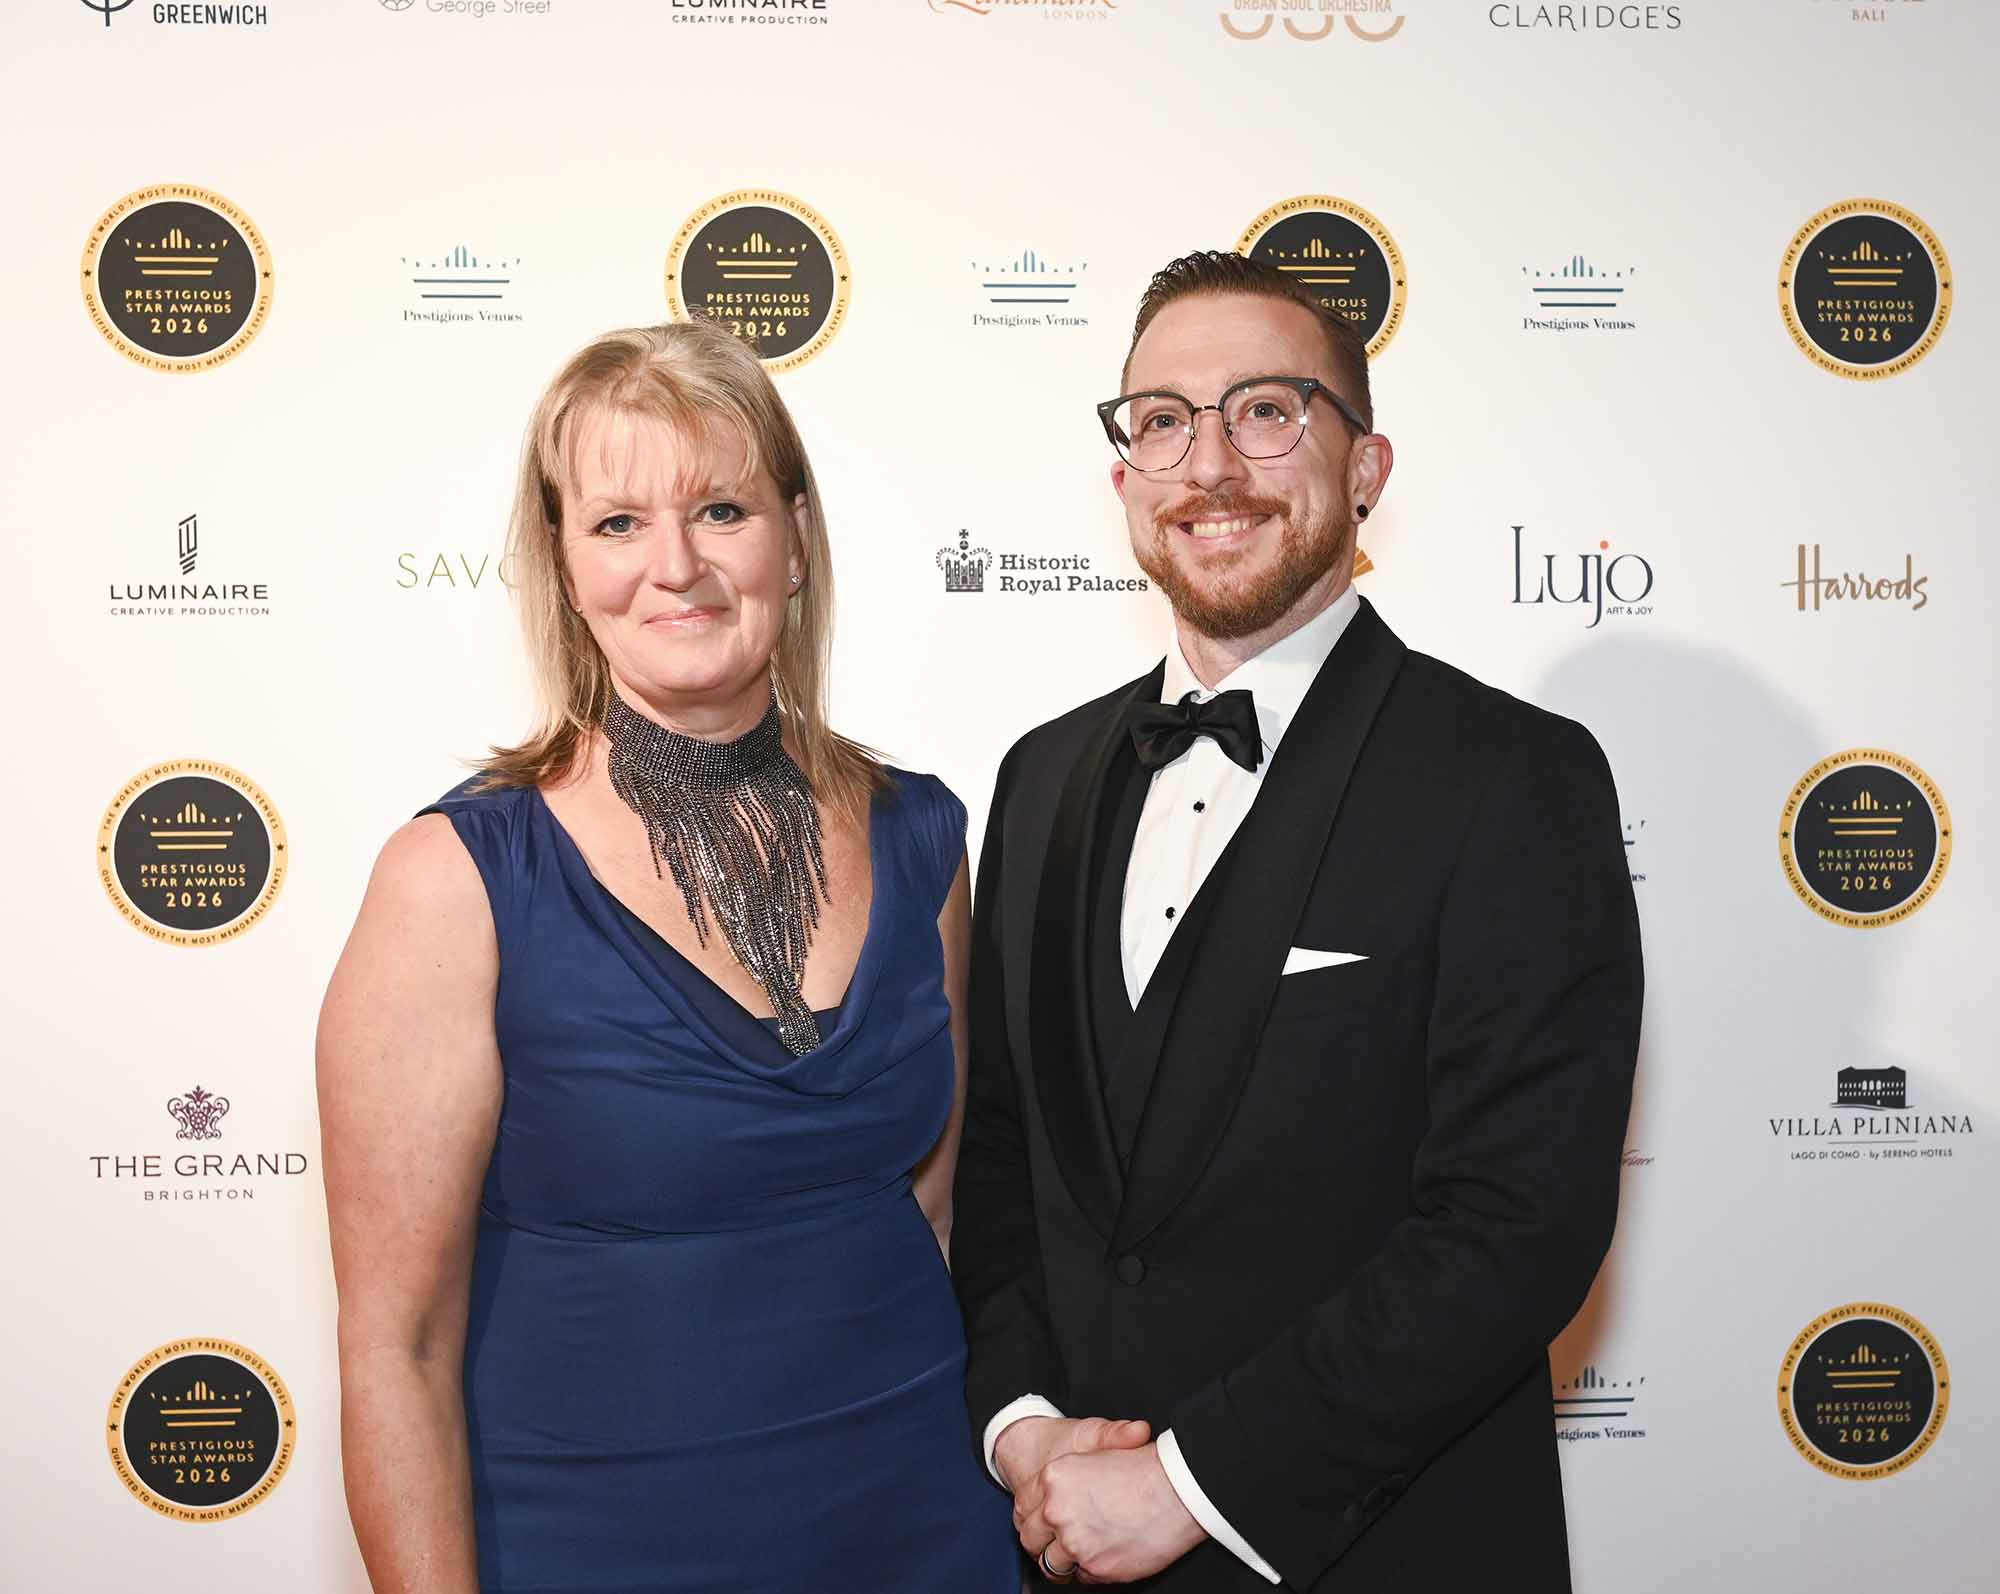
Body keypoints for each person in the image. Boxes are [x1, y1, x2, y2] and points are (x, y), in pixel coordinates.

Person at [953, 251, 1644, 1591]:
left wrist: (1192, 1482)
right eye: (1163, 420)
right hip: (1066, 1544)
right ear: (1124, 477)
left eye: (1265, 411)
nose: (1210, 464)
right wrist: (1024, 1425)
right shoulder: (1040, 775)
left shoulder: (1513, 776)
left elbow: (1517, 1222)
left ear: (1365, 466)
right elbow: (998, 1164)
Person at [317, 320, 1016, 1593]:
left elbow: (928, 1214)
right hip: (594, 1546)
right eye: (618, 522)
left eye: (721, 509)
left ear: (794, 539)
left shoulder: (923, 836)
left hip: (920, 1530)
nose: (676, 565)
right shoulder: (458, 880)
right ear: (562, 563)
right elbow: (396, 1350)